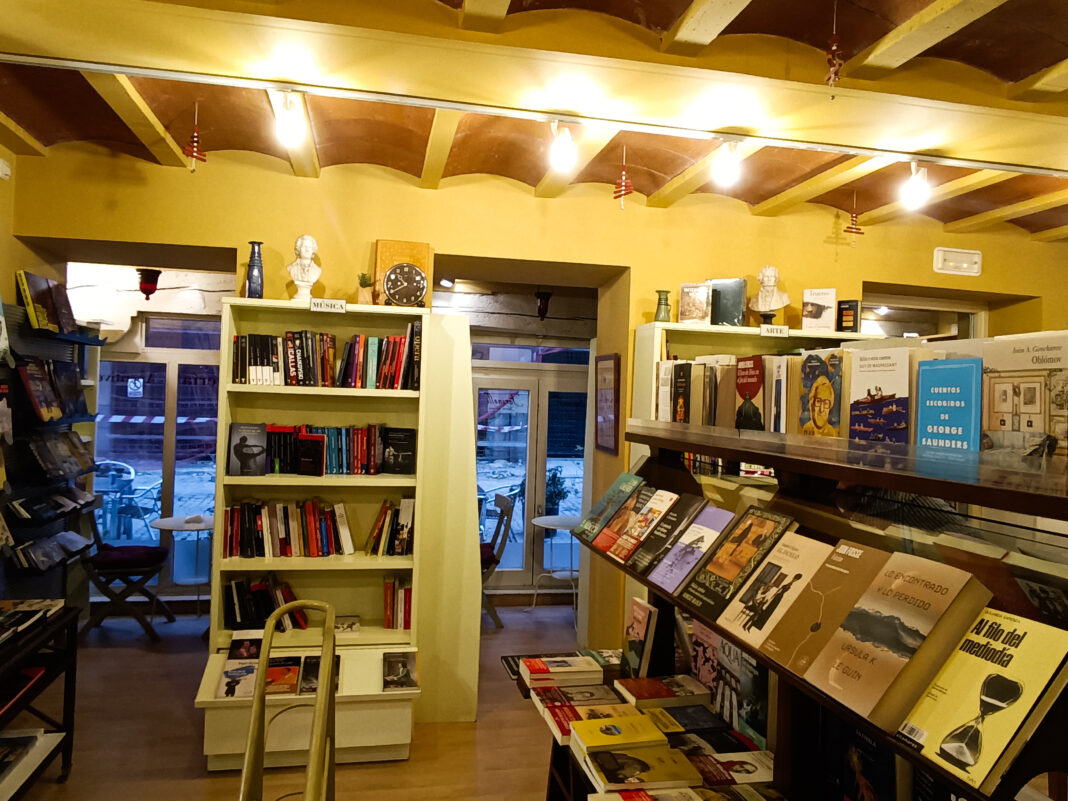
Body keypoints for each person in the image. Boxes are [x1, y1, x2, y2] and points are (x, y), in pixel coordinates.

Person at [287, 234, 322, 300]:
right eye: (304, 247)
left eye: (310, 247)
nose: (307, 250)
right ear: (298, 249)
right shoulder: (291, 268)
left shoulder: (317, 270)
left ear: (313, 250)